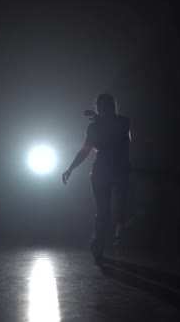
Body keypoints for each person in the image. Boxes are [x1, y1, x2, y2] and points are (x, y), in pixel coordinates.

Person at [62, 94, 131, 264]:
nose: (103, 109)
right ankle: (99, 244)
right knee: (103, 210)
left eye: (105, 105)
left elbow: (121, 138)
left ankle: (110, 241)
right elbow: (85, 150)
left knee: (119, 208)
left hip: (118, 169)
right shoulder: (94, 127)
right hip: (102, 170)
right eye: (100, 106)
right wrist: (71, 168)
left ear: (111, 106)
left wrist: (100, 119)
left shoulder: (122, 122)